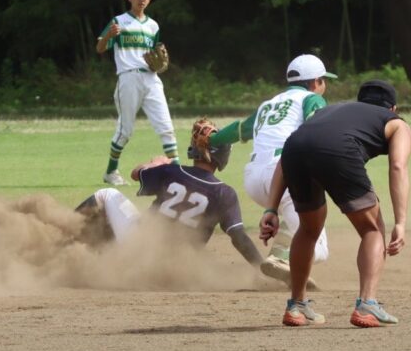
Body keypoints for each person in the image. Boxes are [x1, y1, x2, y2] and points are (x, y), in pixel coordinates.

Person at [259, 80, 411, 328]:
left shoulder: (332, 111)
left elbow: (289, 152)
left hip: (294, 150)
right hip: (338, 150)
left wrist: (271, 208)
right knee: (372, 229)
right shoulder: (396, 123)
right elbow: (398, 166)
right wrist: (401, 222)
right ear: (393, 108)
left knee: (309, 229)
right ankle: (367, 304)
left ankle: (296, 306)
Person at [76, 119, 276, 278]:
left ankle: (67, 245)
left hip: (139, 251)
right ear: (223, 156)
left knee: (107, 194)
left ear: (194, 149)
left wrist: (154, 163)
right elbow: (240, 239)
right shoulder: (224, 192)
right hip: (174, 268)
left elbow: (136, 174)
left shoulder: (171, 171)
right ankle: (104, 255)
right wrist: (262, 269)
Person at [208, 54, 336, 287]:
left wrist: (213, 139)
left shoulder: (269, 104)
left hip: (255, 180)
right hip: (285, 175)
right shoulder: (312, 99)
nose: (324, 86)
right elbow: (317, 130)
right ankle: (288, 261)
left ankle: (279, 258)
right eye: (324, 80)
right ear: (315, 82)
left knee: (296, 215)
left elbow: (240, 130)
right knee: (320, 248)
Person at [95, 0, 178, 187]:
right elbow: (99, 48)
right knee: (125, 130)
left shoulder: (153, 26)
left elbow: (156, 53)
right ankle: (111, 171)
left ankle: (178, 173)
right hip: (128, 77)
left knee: (166, 127)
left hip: (151, 78)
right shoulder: (119, 21)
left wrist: (159, 62)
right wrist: (107, 36)